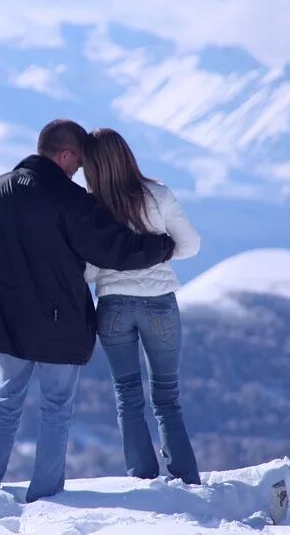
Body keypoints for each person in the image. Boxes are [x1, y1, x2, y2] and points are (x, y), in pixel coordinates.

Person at [0, 119, 176, 502]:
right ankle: (45, 496)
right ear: (65, 155)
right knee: (55, 410)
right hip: (58, 326)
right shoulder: (67, 198)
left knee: (4, 406)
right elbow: (112, 248)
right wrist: (162, 247)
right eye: (78, 163)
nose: (79, 171)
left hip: (6, 323)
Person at [82, 127, 201, 485]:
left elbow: (87, 271)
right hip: (159, 304)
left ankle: (143, 478)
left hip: (113, 306)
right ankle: (185, 479)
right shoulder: (158, 194)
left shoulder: (91, 206)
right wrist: (160, 250)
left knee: (127, 394)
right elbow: (191, 245)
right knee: (167, 396)